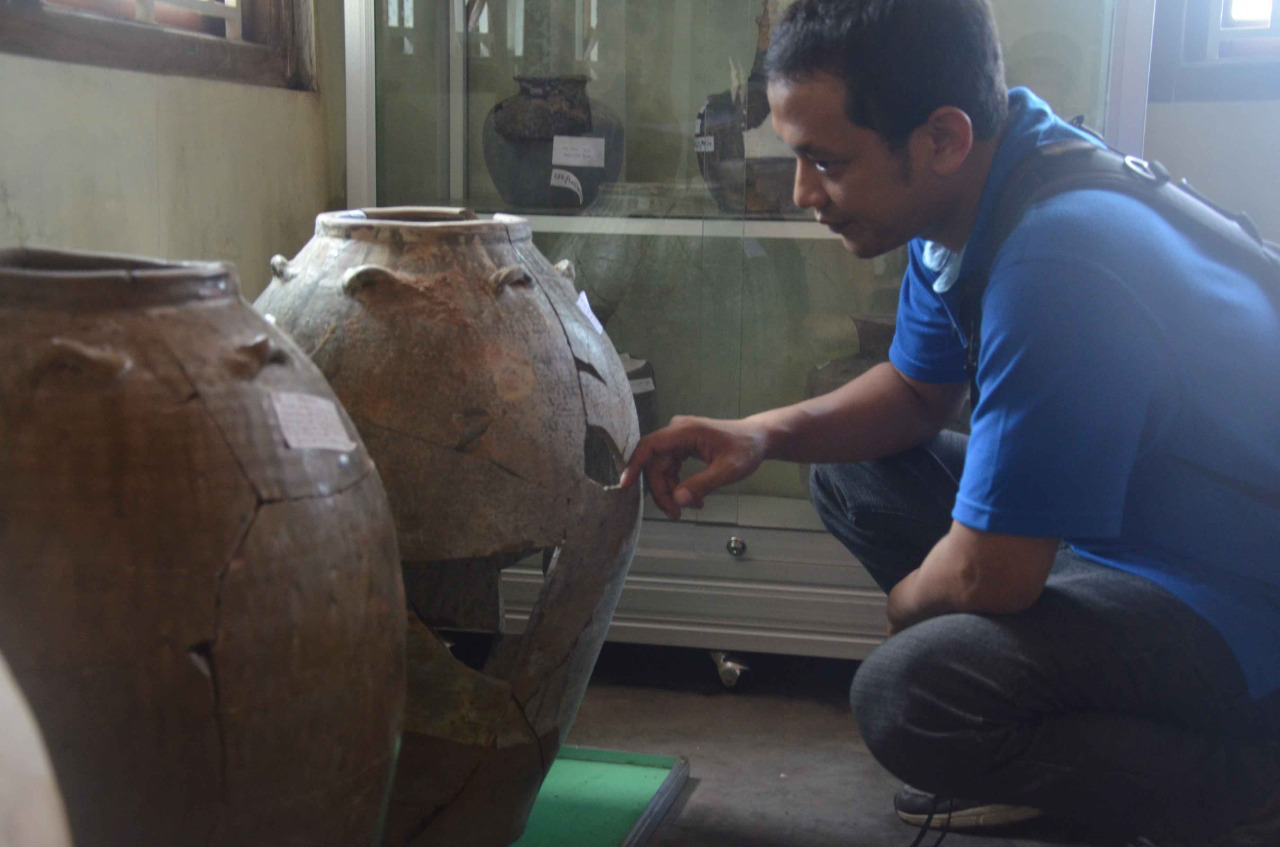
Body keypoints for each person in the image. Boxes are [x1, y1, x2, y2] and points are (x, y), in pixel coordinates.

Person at [617, 0, 1280, 843]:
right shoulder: (985, 189)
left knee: (910, 697)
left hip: (1237, 592)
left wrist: (912, 605)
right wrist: (765, 434)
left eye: (826, 161)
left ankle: (1246, 775)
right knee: (848, 469)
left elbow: (990, 575)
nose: (801, 192)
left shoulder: (1059, 258)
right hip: (1127, 532)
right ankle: (1061, 725)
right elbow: (915, 391)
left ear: (943, 139)